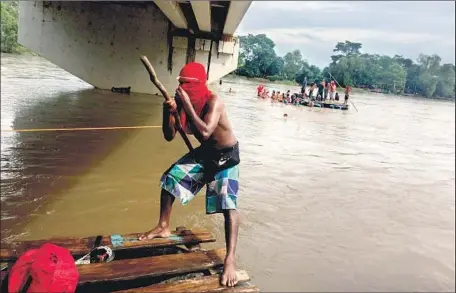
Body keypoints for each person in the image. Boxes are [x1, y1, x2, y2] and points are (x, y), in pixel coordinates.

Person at [138, 62, 241, 287]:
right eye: (180, 84)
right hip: (205, 153)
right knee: (170, 179)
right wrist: (169, 112)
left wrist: (186, 103)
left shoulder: (214, 102)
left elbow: (204, 132)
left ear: (199, 85)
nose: (182, 88)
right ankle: (163, 226)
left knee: (227, 204)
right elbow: (169, 135)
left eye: (187, 85)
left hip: (225, 156)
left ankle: (230, 259)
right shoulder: (183, 103)